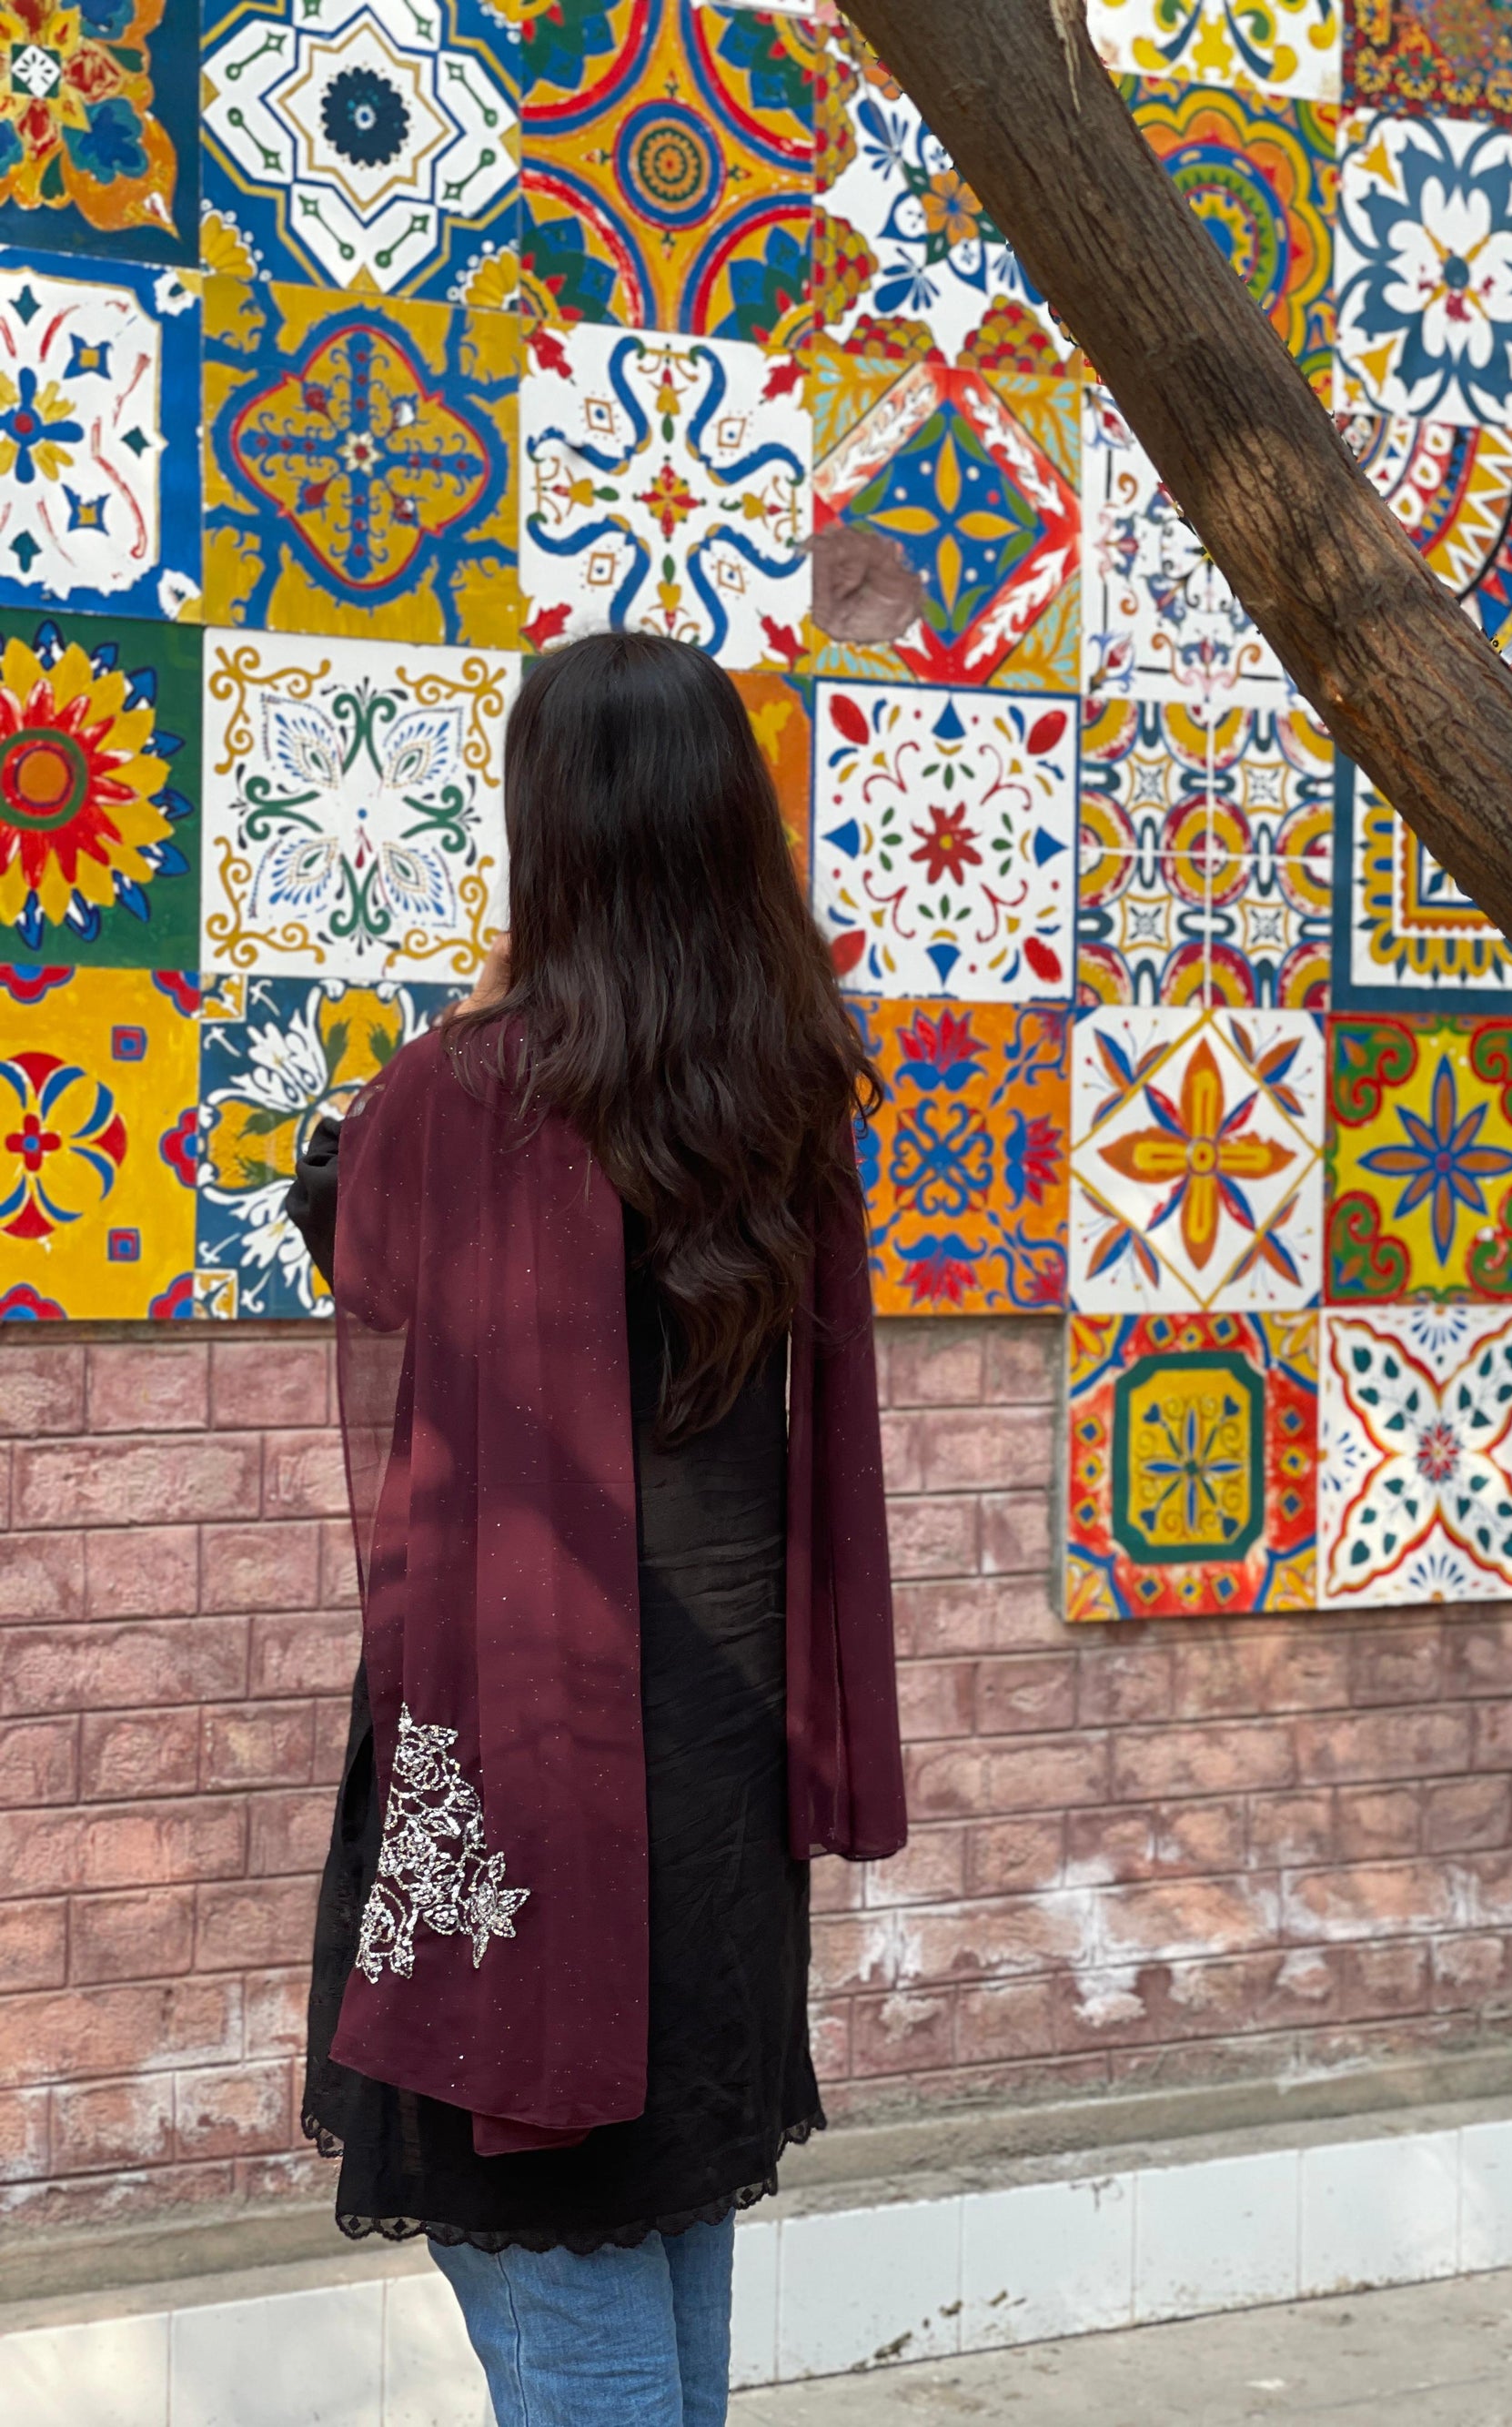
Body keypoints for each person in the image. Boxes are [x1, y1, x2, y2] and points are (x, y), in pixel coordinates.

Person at [285, 631, 908, 2427]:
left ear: (546, 826)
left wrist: (487, 1004)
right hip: (717, 1796)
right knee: (661, 2230)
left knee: (551, 2248)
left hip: (529, 1771)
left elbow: (365, 1241)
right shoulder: (786, 1084)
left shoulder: (465, 1098)